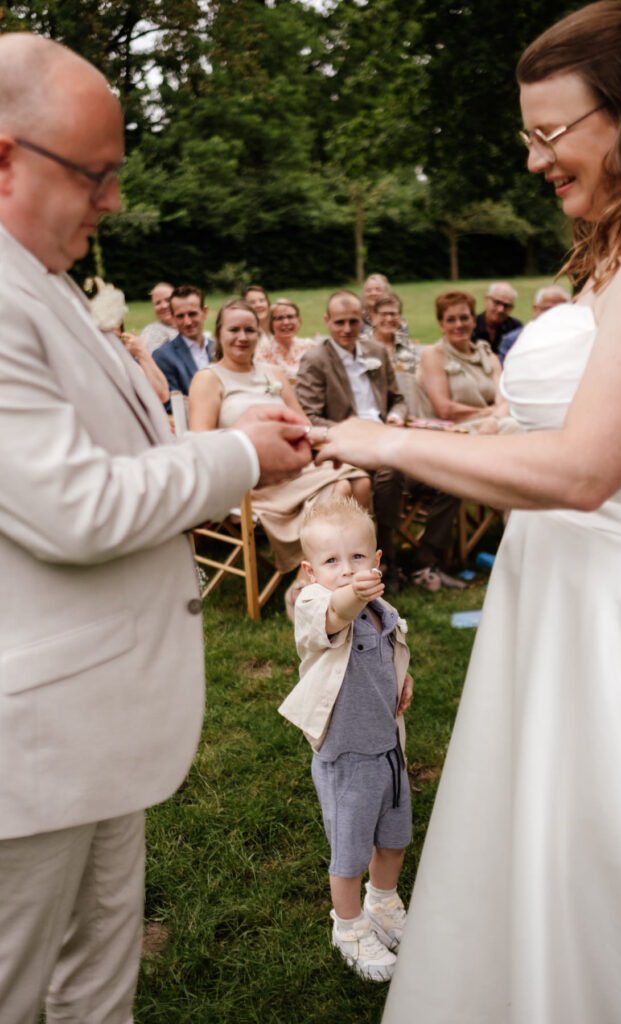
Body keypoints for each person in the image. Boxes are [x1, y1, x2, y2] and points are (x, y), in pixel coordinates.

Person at [317, 2, 621, 1020]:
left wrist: (384, 440)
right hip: (560, 593)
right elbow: (552, 430)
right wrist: (428, 437)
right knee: (549, 853)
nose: (532, 162)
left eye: (549, 133)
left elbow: (583, 472)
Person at [0, 34, 311, 1024]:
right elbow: (73, 506)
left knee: (96, 985)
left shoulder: (40, 278)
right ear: (4, 157)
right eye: (95, 174)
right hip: (28, 744)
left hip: (91, 721)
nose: (114, 201)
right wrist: (237, 457)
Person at [278, 497, 413, 981]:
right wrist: (351, 591)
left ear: (377, 560)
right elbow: (338, 610)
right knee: (351, 849)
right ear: (311, 571)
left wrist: (404, 676)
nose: (346, 569)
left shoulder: (381, 608)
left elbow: (393, 645)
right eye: (332, 561)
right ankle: (349, 925)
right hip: (346, 755)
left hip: (387, 748)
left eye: (358, 557)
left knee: (394, 838)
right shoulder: (317, 604)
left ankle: (383, 903)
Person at [188, 299, 370, 613]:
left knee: (362, 481)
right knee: (342, 487)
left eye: (250, 329)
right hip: (251, 480)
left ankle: (325, 579)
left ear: (259, 334)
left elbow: (304, 424)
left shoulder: (272, 373)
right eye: (234, 330)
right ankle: (315, 584)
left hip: (296, 471)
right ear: (220, 334)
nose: (242, 337)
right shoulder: (208, 378)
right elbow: (203, 445)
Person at [297, 291, 461, 593]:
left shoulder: (376, 350)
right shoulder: (316, 359)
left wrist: (397, 416)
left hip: (389, 440)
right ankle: (387, 560)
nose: (347, 329)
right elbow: (309, 417)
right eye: (340, 322)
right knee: (390, 472)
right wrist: (357, 434)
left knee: (449, 475)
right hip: (350, 452)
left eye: (354, 322)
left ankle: (424, 560)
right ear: (327, 321)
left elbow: (397, 400)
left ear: (364, 320)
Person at [415, 289, 516, 433]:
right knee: (514, 428)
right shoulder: (434, 354)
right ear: (441, 324)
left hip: (491, 424)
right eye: (451, 320)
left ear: (474, 321)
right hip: (451, 428)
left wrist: (493, 419)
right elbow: (444, 409)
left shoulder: (489, 357)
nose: (459, 325)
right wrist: (487, 413)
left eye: (464, 318)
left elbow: (504, 402)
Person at [152, 284, 213, 398]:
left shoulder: (219, 349)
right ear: (173, 318)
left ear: (204, 312)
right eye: (180, 316)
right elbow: (171, 403)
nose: (187, 322)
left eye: (192, 314)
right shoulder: (163, 356)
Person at [498, 283, 572, 364]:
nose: (553, 315)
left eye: (560, 310)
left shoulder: (575, 341)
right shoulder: (513, 341)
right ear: (535, 310)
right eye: (548, 310)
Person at [255, 297, 318, 381]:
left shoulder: (310, 346)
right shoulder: (263, 352)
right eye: (279, 318)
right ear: (271, 323)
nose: (286, 322)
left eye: (290, 317)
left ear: (298, 320)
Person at [471, 281, 522, 353]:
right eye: (497, 302)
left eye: (506, 306)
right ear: (486, 300)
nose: (501, 309)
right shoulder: (472, 326)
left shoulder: (515, 328)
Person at [140, 281, 176, 354]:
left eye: (168, 300)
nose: (164, 306)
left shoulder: (189, 326)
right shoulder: (151, 332)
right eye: (158, 303)